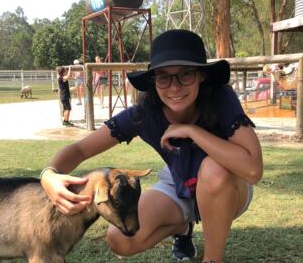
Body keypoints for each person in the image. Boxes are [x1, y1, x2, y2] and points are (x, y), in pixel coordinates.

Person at [41, 30, 263, 263]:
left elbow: (252, 170)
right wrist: (49, 175)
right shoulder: (144, 114)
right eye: (164, 77)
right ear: (153, 80)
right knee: (120, 239)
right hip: (179, 182)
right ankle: (182, 227)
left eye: (185, 74)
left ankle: (212, 259)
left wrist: (192, 131)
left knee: (213, 170)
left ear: (201, 76)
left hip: (226, 186)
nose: (174, 87)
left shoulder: (221, 98)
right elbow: (81, 149)